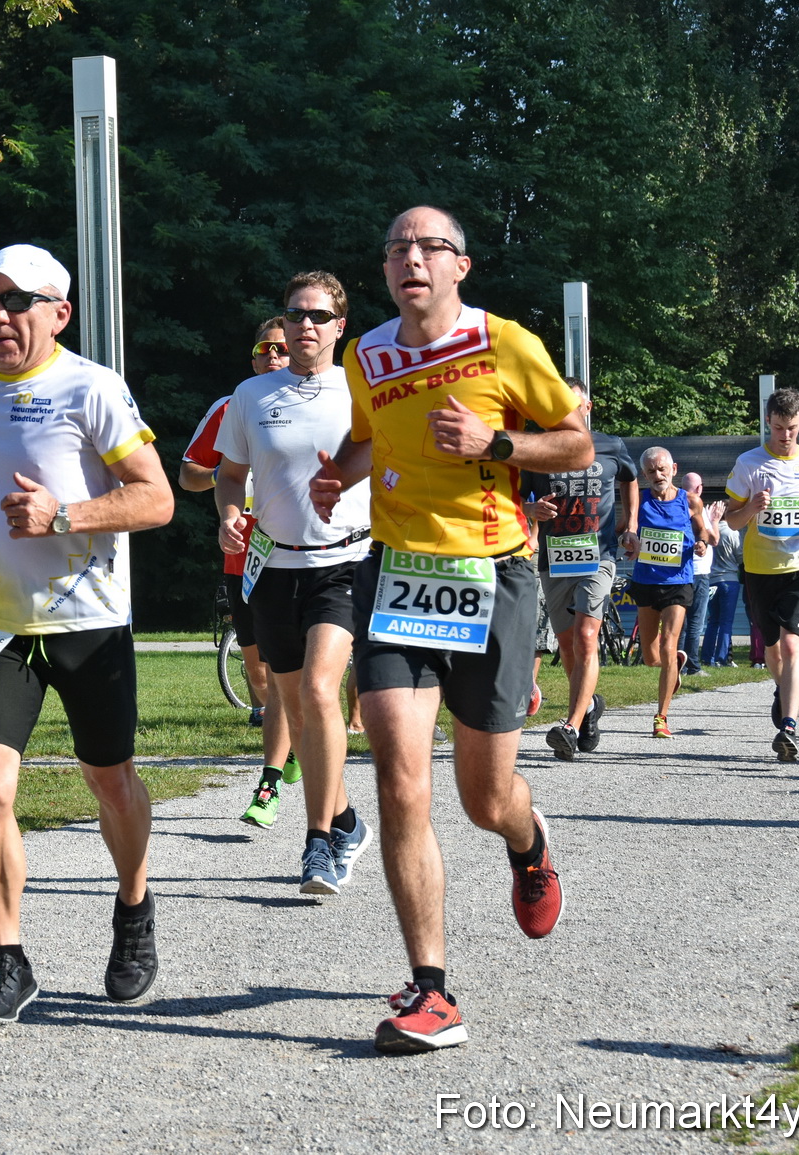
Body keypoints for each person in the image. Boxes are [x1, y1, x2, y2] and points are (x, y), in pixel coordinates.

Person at [312, 205, 590, 1054]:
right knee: (400, 780)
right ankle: (431, 990)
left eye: (428, 246)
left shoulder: (506, 342)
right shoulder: (366, 354)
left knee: (483, 798)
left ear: (459, 266)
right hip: (396, 573)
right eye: (396, 247)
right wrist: (335, 477)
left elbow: (576, 445)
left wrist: (495, 441)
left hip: (490, 575)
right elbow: (367, 438)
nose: (410, 258)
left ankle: (529, 841)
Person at [0, 243, 174, 1030]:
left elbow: (157, 499)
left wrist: (63, 515)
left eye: (17, 301)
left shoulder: (92, 387)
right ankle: (9, 960)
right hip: (0, 624)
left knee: (111, 782)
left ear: (59, 313)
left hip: (87, 622)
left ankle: (133, 905)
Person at [217, 272, 371, 893]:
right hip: (272, 566)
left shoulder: (362, 389)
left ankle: (318, 844)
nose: (304, 325)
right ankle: (347, 819)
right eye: (295, 314)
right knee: (298, 712)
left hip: (345, 562)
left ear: (340, 326)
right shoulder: (251, 395)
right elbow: (229, 475)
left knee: (317, 689)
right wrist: (230, 515)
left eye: (318, 315)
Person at [180, 317, 300, 827]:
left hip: (300, 555)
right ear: (251, 359)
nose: (272, 357)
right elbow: (188, 474)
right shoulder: (231, 407)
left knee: (291, 670)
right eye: (262, 350)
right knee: (258, 673)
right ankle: (288, 742)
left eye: (281, 349)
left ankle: (272, 777)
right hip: (244, 556)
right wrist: (232, 473)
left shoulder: (320, 400)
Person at [520, 377, 637, 760]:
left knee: (587, 637)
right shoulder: (539, 448)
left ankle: (569, 727)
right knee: (569, 645)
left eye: (571, 405)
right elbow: (515, 497)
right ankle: (588, 709)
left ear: (587, 407)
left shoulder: (609, 444)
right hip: (554, 558)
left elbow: (629, 479)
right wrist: (530, 509)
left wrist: (631, 524)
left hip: (598, 555)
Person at [720, 386, 799, 764]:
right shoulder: (749, 463)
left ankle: (788, 726)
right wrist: (752, 507)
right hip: (760, 567)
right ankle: (783, 689)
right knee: (771, 647)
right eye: (779, 428)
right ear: (768, 421)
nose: (785, 436)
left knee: (791, 644)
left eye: (793, 428)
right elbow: (732, 520)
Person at [623, 447, 713, 738]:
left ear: (674, 468)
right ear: (644, 474)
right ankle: (674, 664)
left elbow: (703, 532)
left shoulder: (690, 500)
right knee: (651, 657)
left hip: (678, 581)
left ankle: (661, 717)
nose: (658, 475)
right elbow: (623, 530)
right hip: (646, 581)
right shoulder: (640, 500)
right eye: (651, 471)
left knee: (668, 645)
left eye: (662, 469)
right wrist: (628, 540)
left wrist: (701, 543)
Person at [679, 472, 718, 676]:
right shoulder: (698, 509)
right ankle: (693, 666)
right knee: (695, 622)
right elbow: (714, 539)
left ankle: (677, 664)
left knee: (681, 623)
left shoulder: (676, 507)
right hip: (699, 572)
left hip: (680, 572)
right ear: (699, 488)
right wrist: (714, 520)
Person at [703, 520, 744, 667]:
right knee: (726, 621)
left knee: (713, 620)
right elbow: (740, 557)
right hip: (729, 579)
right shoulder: (732, 532)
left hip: (711, 579)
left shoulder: (707, 532)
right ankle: (722, 657)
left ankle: (707, 656)